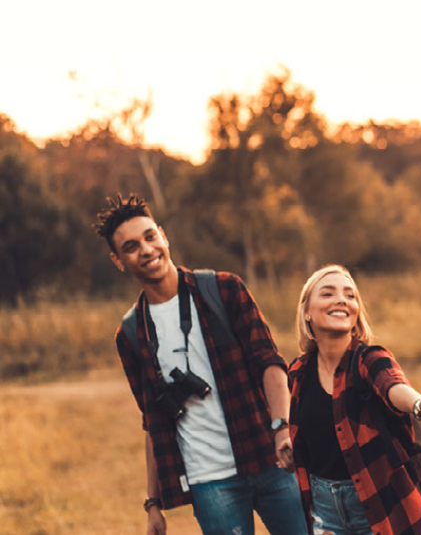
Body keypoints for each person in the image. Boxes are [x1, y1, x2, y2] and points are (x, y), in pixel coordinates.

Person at [95, 193, 307, 535]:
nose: (147, 250)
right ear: (118, 260)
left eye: (150, 237)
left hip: (271, 458)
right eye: (131, 246)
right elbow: (152, 419)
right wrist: (153, 504)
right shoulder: (131, 333)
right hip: (209, 481)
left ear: (163, 235)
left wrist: (281, 428)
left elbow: (269, 364)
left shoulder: (223, 290)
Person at [288, 264, 421, 535]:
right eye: (328, 293)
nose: (342, 299)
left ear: (356, 313)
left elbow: (391, 385)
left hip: (385, 503)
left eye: (350, 295)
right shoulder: (298, 372)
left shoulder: (369, 358)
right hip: (324, 512)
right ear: (306, 311)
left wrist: (420, 405)